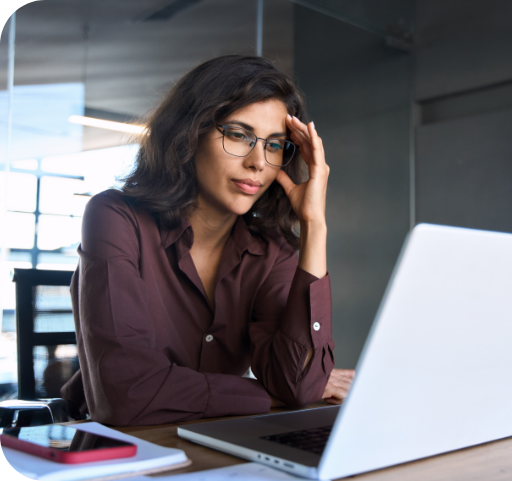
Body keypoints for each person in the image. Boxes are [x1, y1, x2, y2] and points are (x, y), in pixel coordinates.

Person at [60, 56, 354, 426]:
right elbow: (128, 395)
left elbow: (297, 381)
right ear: (191, 132)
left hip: (214, 442)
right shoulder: (116, 217)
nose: (258, 162)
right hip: (117, 451)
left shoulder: (272, 252)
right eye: (238, 135)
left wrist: (314, 224)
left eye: (275, 145)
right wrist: (271, 395)